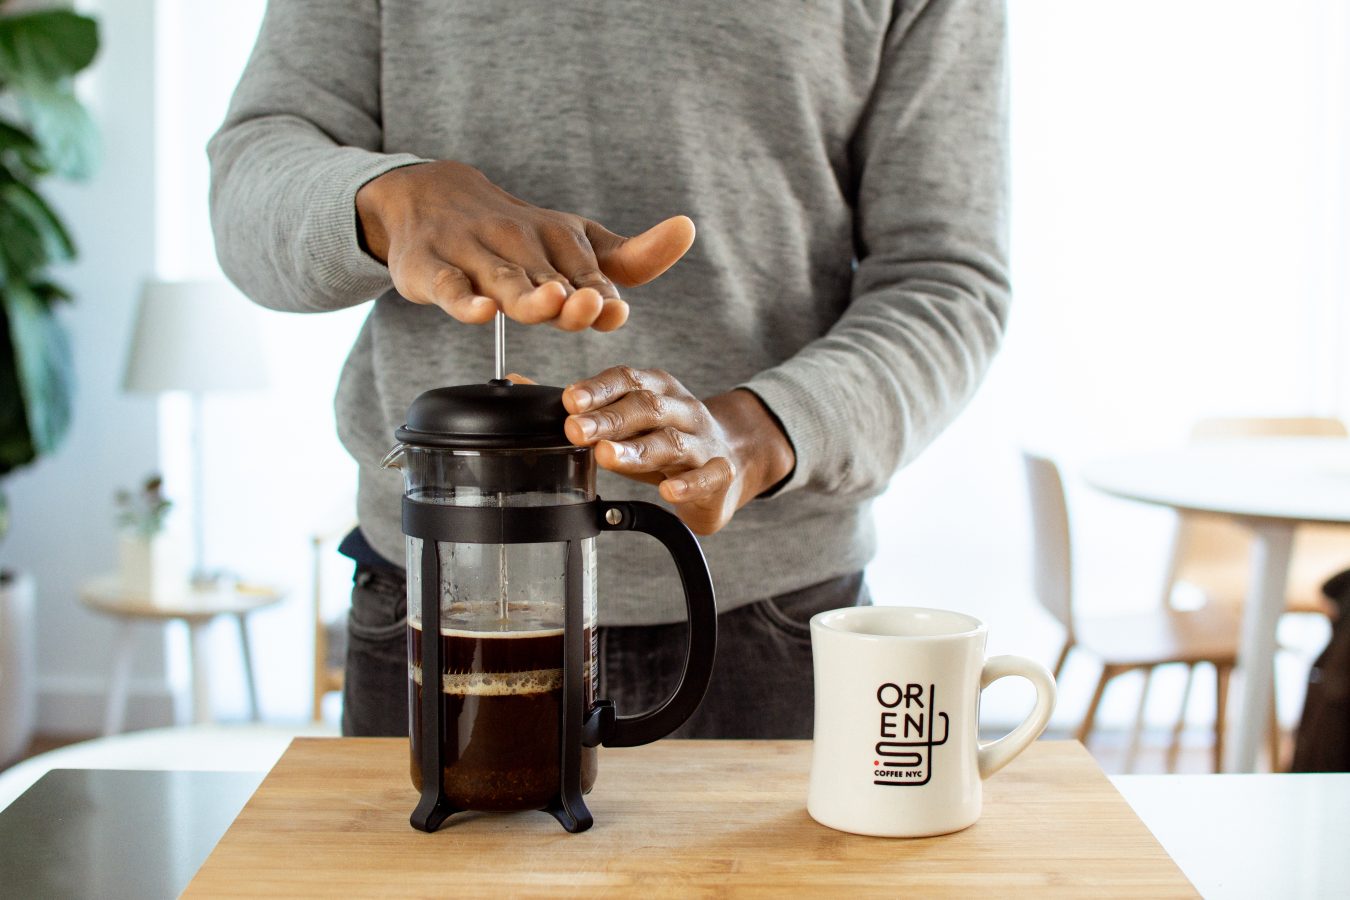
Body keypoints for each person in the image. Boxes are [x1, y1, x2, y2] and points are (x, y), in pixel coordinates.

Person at [209, 0, 1009, 739]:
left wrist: (757, 433)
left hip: (771, 627)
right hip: (438, 610)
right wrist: (388, 201)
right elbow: (251, 178)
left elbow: (946, 276)